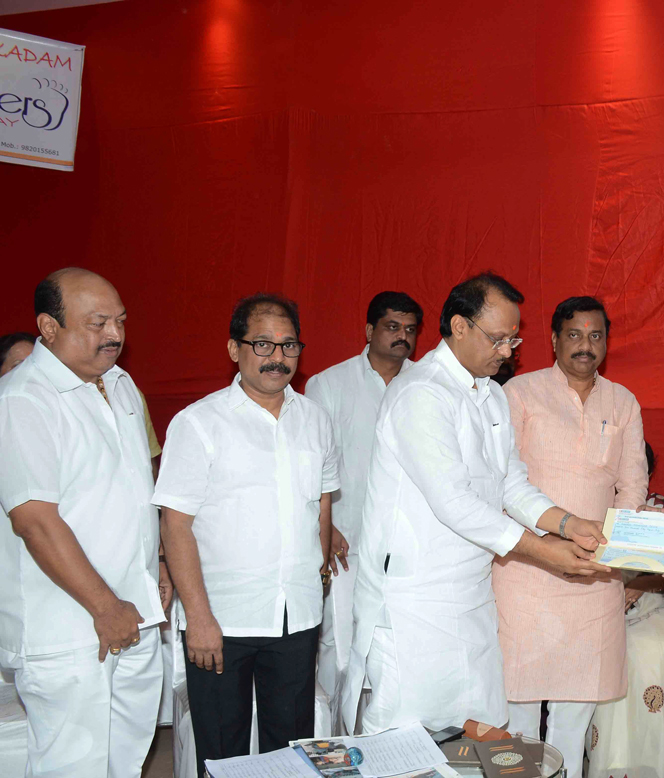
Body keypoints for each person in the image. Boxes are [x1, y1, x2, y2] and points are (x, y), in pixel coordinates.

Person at [343, 272, 611, 736]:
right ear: (459, 326)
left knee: (478, 733)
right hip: (415, 600)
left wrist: (567, 524)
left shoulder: (489, 395)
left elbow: (511, 484)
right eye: (499, 339)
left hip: (470, 591)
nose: (508, 351)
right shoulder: (420, 393)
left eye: (514, 339)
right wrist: (545, 551)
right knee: (405, 742)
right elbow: (453, 502)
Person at [154, 293, 339, 772]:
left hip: (295, 616)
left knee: (291, 751)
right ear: (234, 349)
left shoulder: (316, 420)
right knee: (221, 752)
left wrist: (316, 581)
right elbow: (175, 523)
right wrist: (198, 618)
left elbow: (321, 503)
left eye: (288, 345)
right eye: (263, 344)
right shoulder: (198, 423)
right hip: (221, 620)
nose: (278, 358)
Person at [0, 268, 166, 777]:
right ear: (48, 327)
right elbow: (35, 521)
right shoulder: (23, 399)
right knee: (72, 765)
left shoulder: (118, 384)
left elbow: (137, 492)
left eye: (119, 321)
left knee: (125, 758)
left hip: (132, 612)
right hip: (72, 626)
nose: (114, 335)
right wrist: (104, 604)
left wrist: (157, 563)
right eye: (97, 323)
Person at [493, 296, 647, 778]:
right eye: (575, 335)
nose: (586, 346)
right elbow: (501, 479)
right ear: (554, 340)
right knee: (516, 705)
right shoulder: (519, 393)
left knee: (575, 711)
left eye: (596, 335)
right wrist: (548, 542)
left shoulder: (623, 401)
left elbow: (633, 485)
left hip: (595, 575)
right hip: (526, 570)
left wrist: (613, 548)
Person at [305, 290, 423, 731]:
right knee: (341, 647)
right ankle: (333, 747)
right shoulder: (328, 384)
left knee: (399, 651)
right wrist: (326, 524)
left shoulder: (424, 384)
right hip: (346, 539)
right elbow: (313, 462)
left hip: (410, 545)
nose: (402, 337)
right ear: (369, 330)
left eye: (410, 329)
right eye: (393, 327)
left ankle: (391, 747)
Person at [588, 441, 664, 778]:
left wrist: (640, 585)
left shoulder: (663, 512)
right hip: (594, 611)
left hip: (655, 609)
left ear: (647, 473)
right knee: (613, 654)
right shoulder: (588, 508)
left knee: (659, 650)